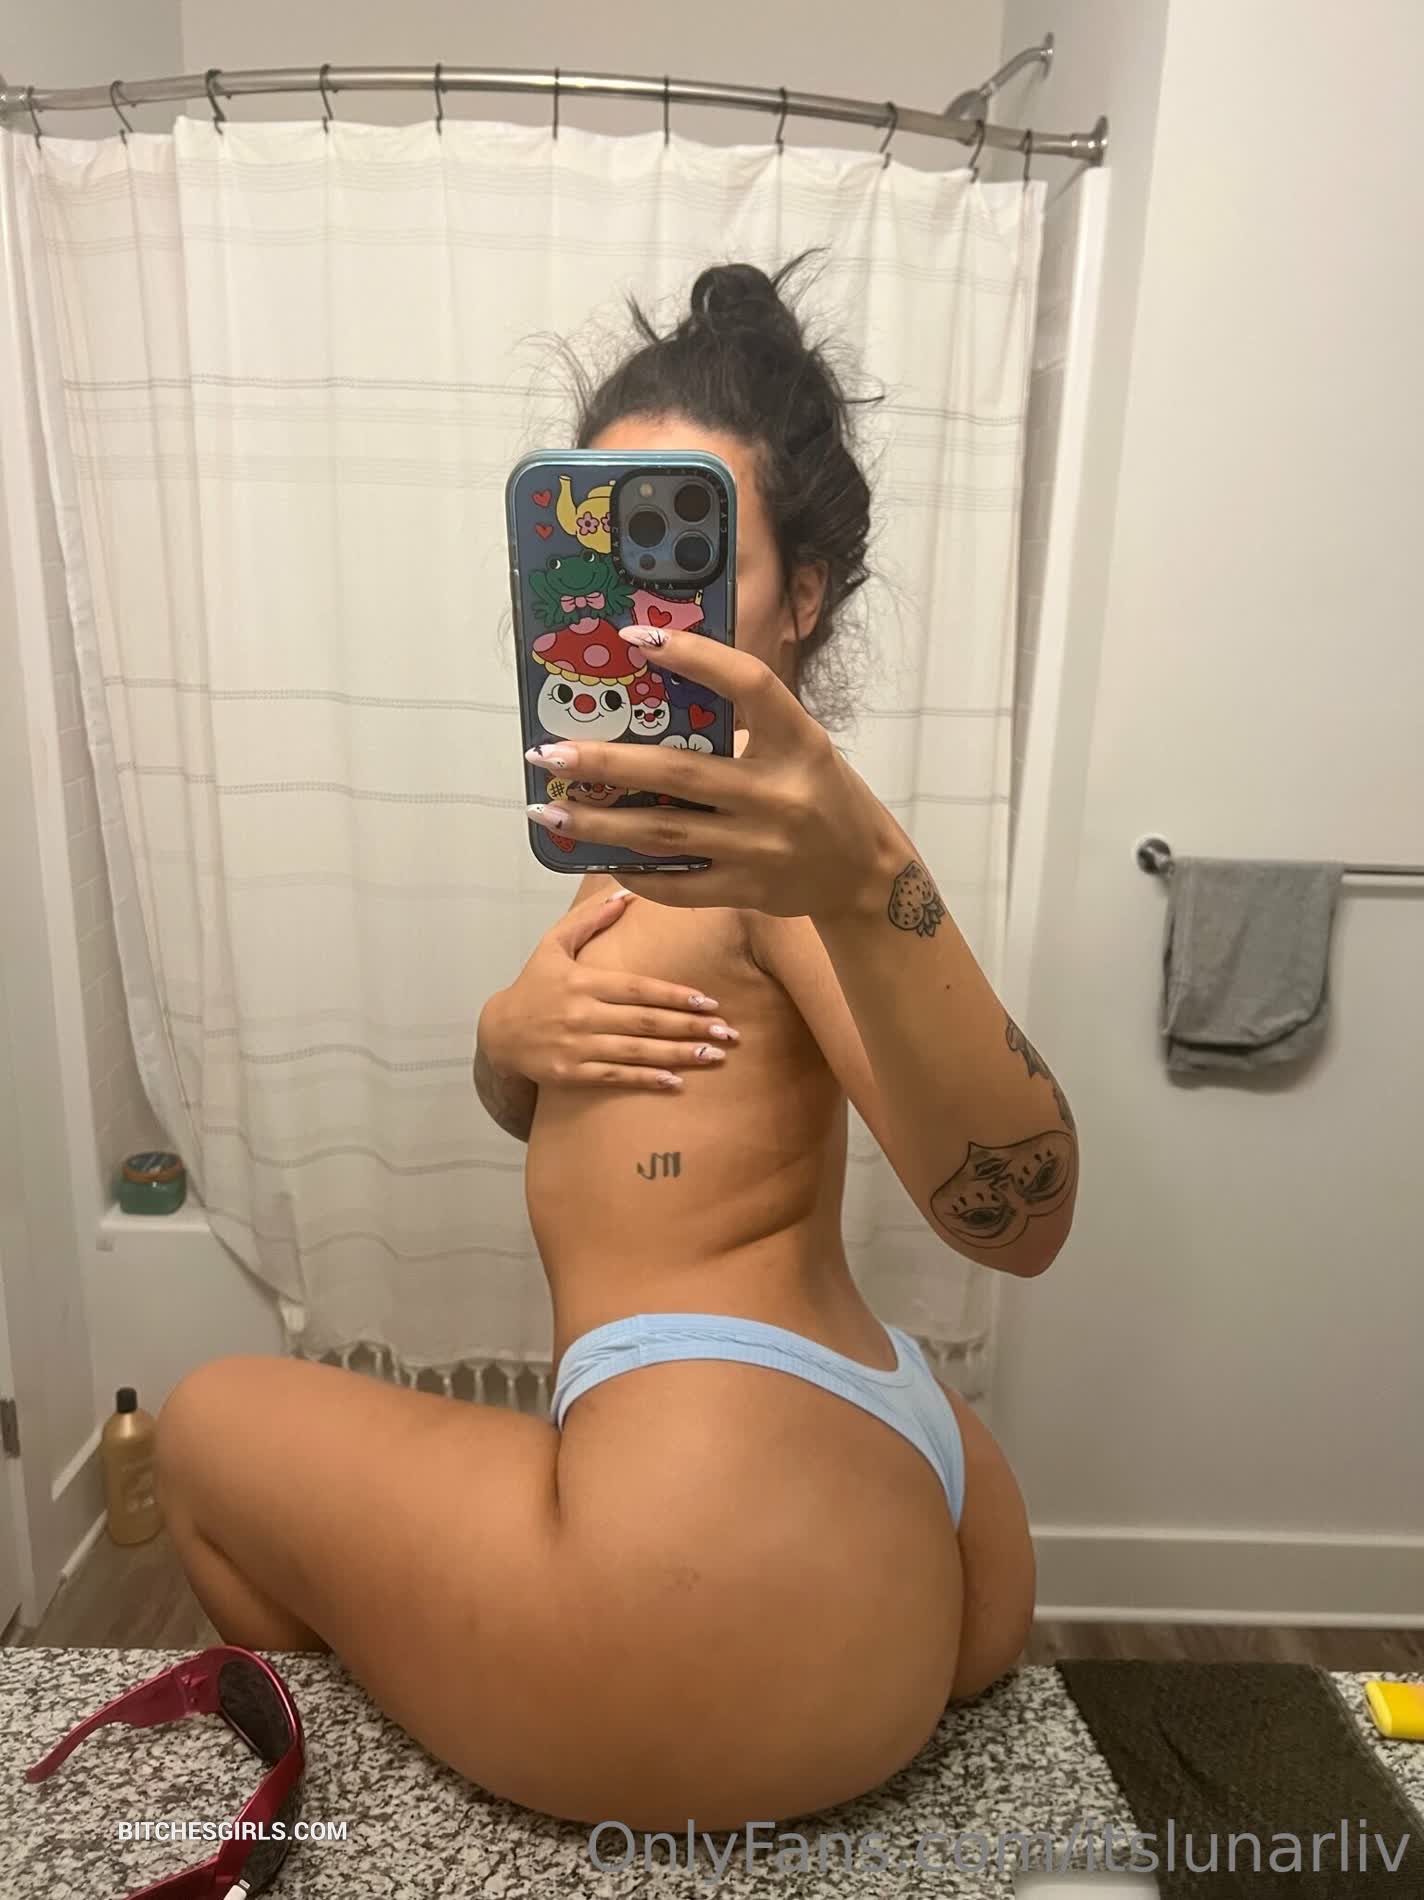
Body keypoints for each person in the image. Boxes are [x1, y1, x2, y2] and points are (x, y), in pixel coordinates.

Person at [156, 261, 1076, 1834]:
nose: (644, 615)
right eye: (603, 553)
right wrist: (505, 1042)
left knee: (205, 1428)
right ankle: (525, 1654)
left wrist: (870, 881)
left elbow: (1023, 1217)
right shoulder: (642, 849)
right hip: (893, 1460)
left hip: (716, 1534)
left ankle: (453, 1760)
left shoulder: (790, 864)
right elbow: (650, 1118)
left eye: (694, 561)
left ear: (800, 599)